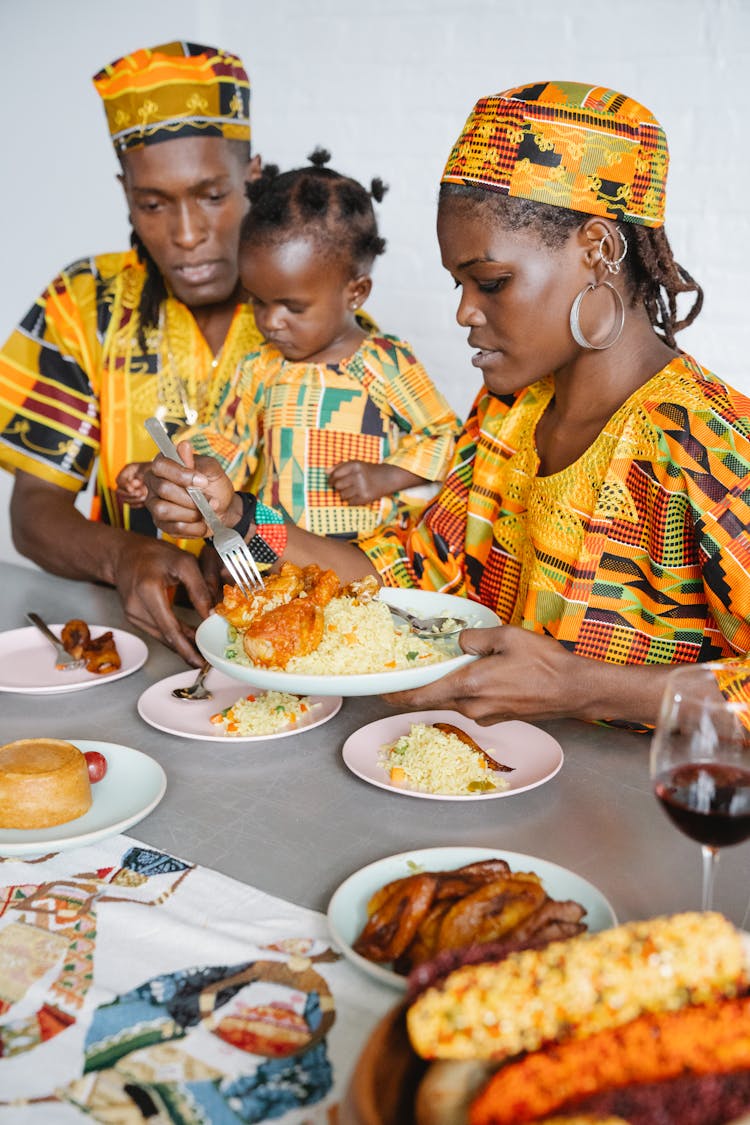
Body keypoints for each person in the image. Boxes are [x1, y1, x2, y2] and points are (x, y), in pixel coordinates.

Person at [144, 80, 750, 726]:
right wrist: (238, 514)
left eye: (491, 282)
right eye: (458, 283)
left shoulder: (708, 442)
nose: (464, 311)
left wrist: (581, 687)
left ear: (597, 251)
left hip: (644, 813)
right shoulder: (506, 417)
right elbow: (403, 575)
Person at [0, 41, 264, 665]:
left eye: (211, 195)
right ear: (125, 194)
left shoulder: (310, 308)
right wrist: (123, 554)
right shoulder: (82, 305)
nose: (187, 233)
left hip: (279, 638)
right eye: (153, 203)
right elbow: (33, 512)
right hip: (130, 637)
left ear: (250, 178)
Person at [117, 149, 459, 540]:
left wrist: (387, 475)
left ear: (356, 292)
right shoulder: (260, 367)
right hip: (280, 555)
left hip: (372, 556)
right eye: (258, 301)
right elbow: (225, 438)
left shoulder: (383, 363)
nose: (270, 321)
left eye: (293, 307)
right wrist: (171, 473)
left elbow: (444, 436)